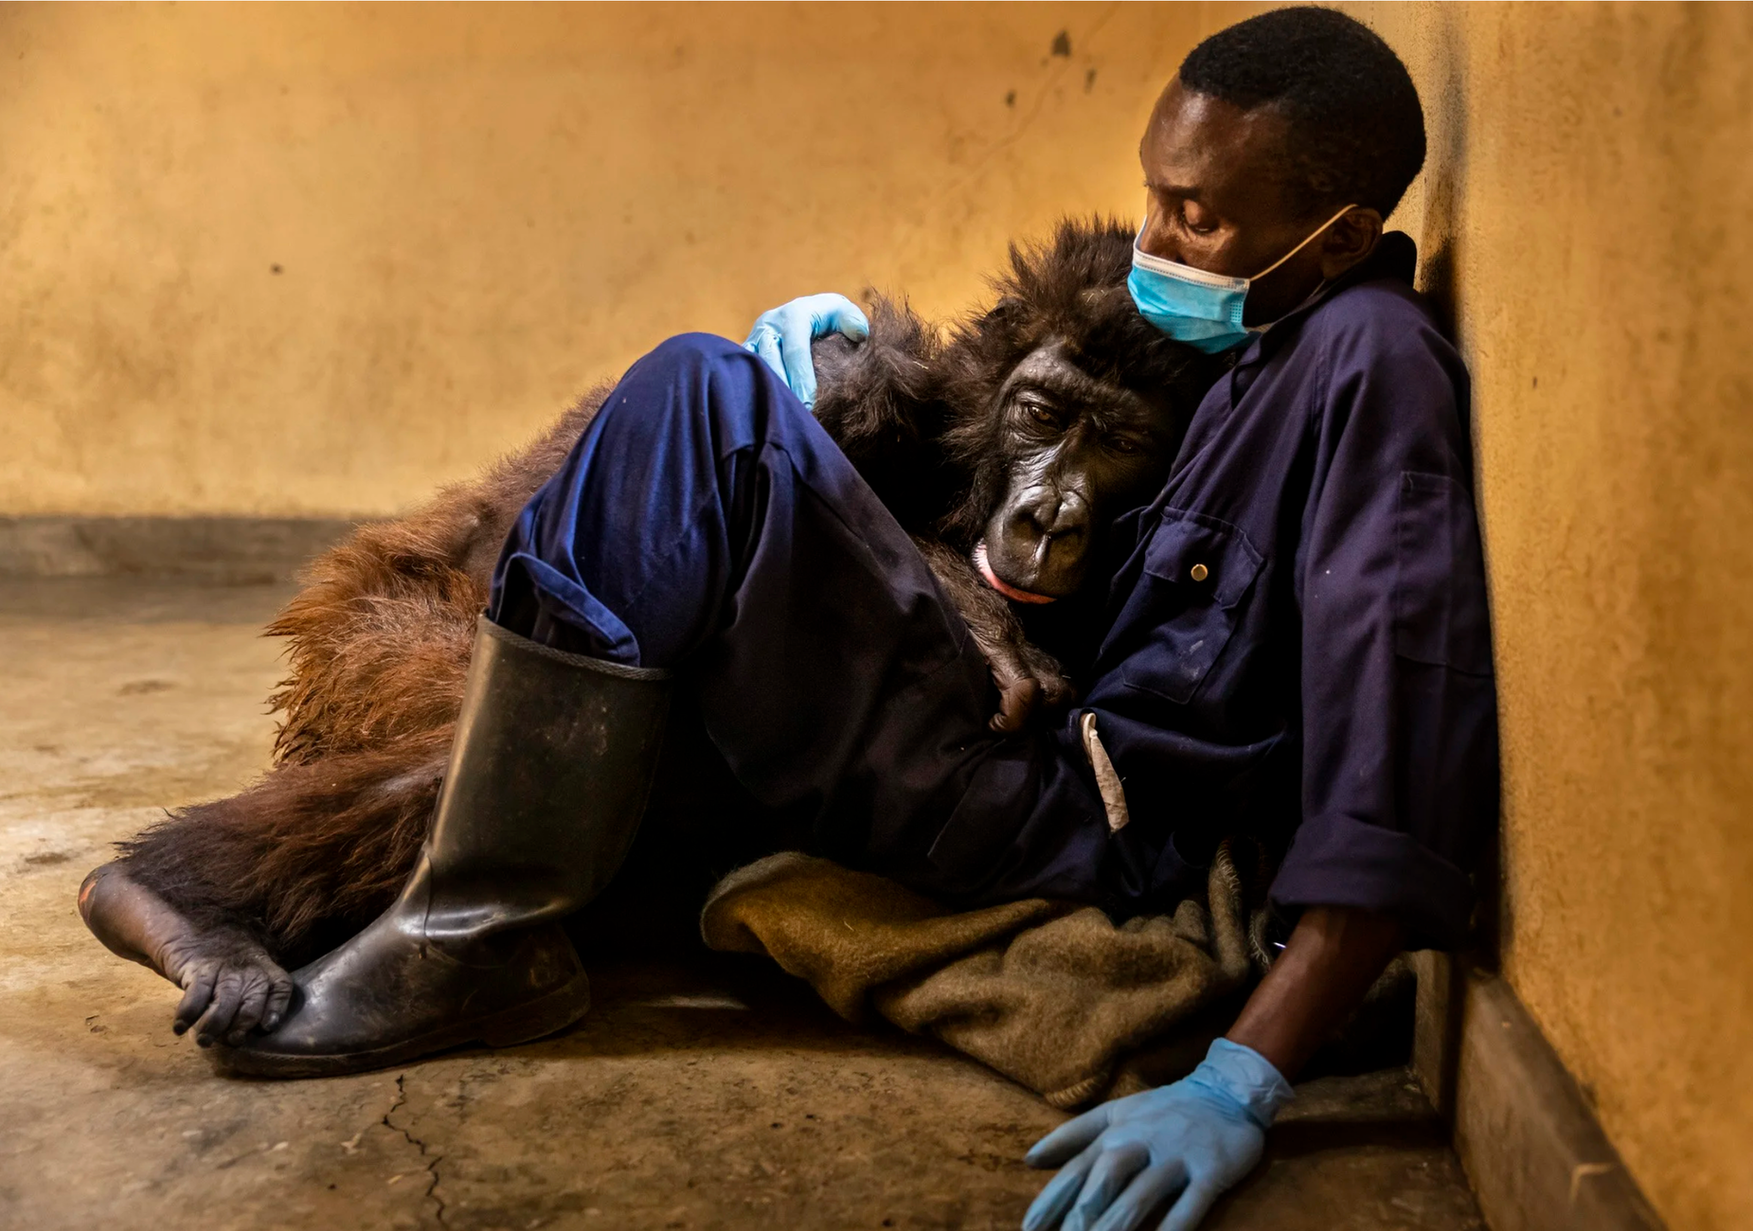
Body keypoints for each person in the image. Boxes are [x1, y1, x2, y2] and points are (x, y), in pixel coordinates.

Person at [218, 9, 1497, 1230]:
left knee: (700, 406)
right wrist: (867, 366)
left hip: (1070, 813)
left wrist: (1240, 1081)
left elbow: (1393, 749)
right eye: (1155, 193)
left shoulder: (1371, 368)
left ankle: (474, 934)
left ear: (1337, 236)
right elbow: (1015, 401)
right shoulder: (1254, 327)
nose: (1155, 239)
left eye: (1196, 215)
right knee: (709, 388)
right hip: (1013, 734)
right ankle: (475, 893)